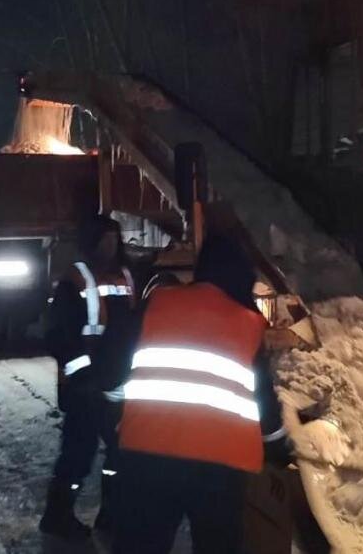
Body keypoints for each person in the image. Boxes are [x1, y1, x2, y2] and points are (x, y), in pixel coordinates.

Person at [113, 234, 287, 554]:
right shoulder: (247, 324)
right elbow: (263, 401)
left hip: (148, 456)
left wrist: (114, 413)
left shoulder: (159, 303)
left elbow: (113, 366)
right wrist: (280, 447)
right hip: (219, 468)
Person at [39, 215, 136, 540]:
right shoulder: (75, 280)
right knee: (78, 454)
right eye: (103, 239)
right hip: (85, 387)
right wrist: (84, 376)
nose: (109, 245)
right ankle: (57, 515)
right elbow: (58, 336)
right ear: (90, 241)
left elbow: (130, 329)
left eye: (113, 238)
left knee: (121, 454)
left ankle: (111, 514)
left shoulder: (125, 277)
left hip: (116, 383)